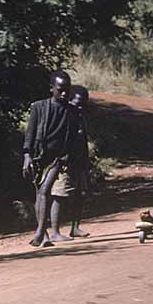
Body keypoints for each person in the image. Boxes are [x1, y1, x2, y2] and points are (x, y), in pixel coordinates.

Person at [23, 70, 78, 246]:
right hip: (39, 157)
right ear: (51, 88)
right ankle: (43, 233)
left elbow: (73, 138)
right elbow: (30, 134)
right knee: (39, 193)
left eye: (67, 90)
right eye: (60, 89)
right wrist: (27, 155)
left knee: (45, 191)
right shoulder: (39, 107)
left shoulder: (71, 111)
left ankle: (40, 232)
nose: (64, 93)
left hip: (58, 159)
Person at [65, 85, 92, 238]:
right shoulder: (66, 116)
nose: (81, 106)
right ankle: (52, 230)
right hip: (67, 161)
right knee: (60, 196)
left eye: (83, 103)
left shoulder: (80, 116)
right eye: (78, 102)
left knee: (81, 194)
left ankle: (75, 226)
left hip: (80, 162)